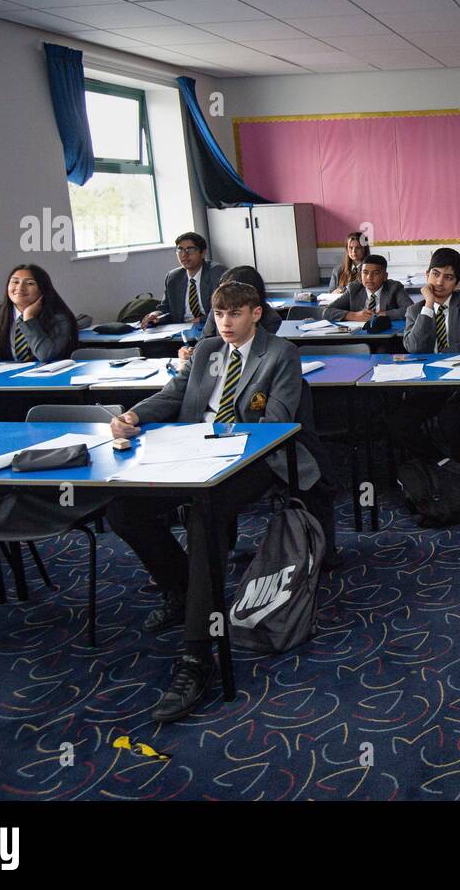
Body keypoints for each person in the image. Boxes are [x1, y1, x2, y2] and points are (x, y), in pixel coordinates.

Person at [107, 281, 332, 722]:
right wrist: (134, 414)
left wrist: (221, 443)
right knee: (122, 511)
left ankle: (197, 654)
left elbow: (277, 423)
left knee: (204, 518)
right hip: (192, 453)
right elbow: (172, 396)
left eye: (235, 313)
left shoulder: (280, 353)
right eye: (220, 313)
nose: (225, 322)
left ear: (255, 314)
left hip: (257, 459)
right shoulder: (207, 349)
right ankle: (183, 589)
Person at [387, 247, 460, 465]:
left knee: (451, 419)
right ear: (427, 275)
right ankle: (441, 464)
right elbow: (414, 348)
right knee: (399, 423)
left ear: (457, 282)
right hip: (431, 385)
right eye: (435, 274)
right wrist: (428, 306)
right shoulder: (415, 311)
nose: (440, 282)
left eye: (448, 277)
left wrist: (448, 356)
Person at [0, 263, 78, 366]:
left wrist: (29, 319)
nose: (20, 287)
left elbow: (46, 355)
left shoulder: (59, 318)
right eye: (15, 282)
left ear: (43, 289)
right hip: (1, 382)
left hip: (47, 384)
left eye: (30, 283)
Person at [176, 265, 282, 362]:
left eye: (229, 291)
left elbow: (256, 351)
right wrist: (192, 352)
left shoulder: (271, 318)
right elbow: (204, 342)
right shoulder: (217, 312)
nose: (225, 322)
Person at [140, 232, 227, 329]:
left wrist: (200, 320)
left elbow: (225, 308)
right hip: (180, 330)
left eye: (190, 249)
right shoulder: (173, 277)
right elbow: (165, 308)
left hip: (210, 327)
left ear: (202, 253)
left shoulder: (217, 273)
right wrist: (156, 315)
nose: (184, 255)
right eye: (180, 250)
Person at [322, 254, 412, 321]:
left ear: (385, 276)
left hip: (386, 337)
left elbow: (411, 310)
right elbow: (327, 311)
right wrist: (353, 315)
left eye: (376, 273)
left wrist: (383, 314)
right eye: (365, 273)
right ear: (360, 275)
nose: (369, 277)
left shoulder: (394, 288)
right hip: (357, 335)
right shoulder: (354, 289)